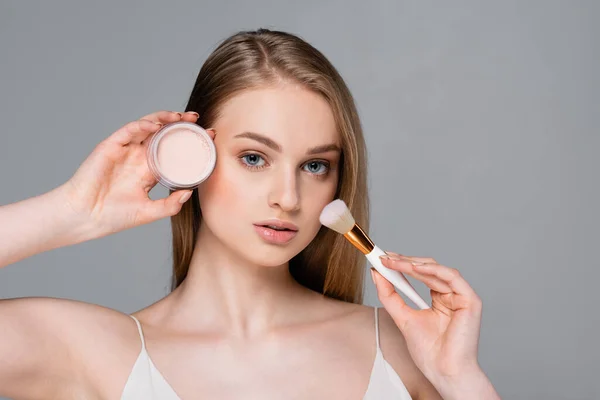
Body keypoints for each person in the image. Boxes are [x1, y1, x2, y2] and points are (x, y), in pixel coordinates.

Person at [0, 29, 500, 399]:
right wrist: (73, 211)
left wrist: (461, 381)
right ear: (194, 156)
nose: (289, 197)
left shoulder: (399, 346)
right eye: (255, 158)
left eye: (315, 165)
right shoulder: (95, 351)